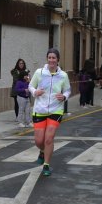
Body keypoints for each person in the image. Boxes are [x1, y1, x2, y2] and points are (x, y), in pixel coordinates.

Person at [28, 48, 71, 177]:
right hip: (40, 110)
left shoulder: (63, 75)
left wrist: (64, 97)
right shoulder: (39, 72)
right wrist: (35, 92)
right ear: (47, 59)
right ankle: (42, 151)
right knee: (39, 141)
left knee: (49, 138)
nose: (52, 60)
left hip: (56, 110)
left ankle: (46, 164)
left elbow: (68, 90)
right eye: (50, 57)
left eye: (54, 58)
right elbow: (30, 86)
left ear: (58, 60)